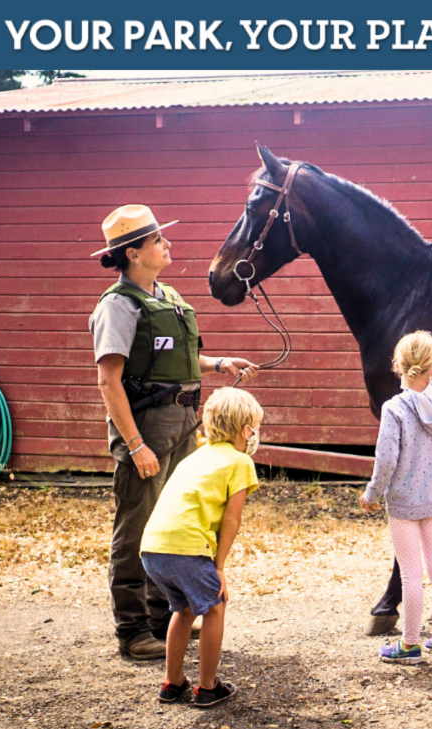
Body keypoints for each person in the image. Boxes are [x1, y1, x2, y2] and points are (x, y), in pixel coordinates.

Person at [88, 204, 258, 660]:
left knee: (175, 525)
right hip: (146, 431)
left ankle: (165, 619)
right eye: (158, 240)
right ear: (133, 254)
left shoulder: (167, 297)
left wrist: (219, 363)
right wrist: (136, 445)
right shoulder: (118, 307)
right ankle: (133, 630)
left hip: (184, 427)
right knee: (136, 530)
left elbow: (180, 359)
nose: (167, 245)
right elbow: (109, 381)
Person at [140, 387, 262, 706]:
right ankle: (208, 688)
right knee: (215, 605)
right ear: (244, 430)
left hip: (153, 548)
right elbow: (231, 521)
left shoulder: (195, 457)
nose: (254, 434)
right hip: (186, 548)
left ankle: (173, 683)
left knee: (183, 610)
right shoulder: (240, 462)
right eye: (253, 427)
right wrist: (219, 568)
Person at [359, 331, 432, 664]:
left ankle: (410, 645)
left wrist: (372, 493)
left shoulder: (394, 408)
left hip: (403, 502)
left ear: (397, 365)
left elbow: (386, 459)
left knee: (411, 574)